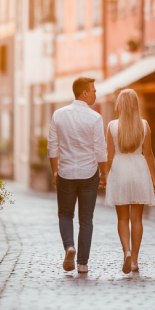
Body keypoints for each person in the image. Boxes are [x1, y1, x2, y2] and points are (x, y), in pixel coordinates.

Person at [47, 77, 108, 274]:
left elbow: (52, 147)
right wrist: (104, 172)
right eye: (93, 90)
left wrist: (55, 171)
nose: (95, 93)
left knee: (65, 214)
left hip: (65, 172)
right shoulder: (95, 117)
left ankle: (69, 247)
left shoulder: (58, 114)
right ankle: (82, 263)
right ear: (84, 93)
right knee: (86, 219)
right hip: (89, 173)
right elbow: (100, 150)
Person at [104, 89, 155, 273]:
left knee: (122, 218)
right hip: (139, 170)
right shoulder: (144, 125)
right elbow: (148, 154)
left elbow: (109, 156)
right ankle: (134, 259)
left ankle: (126, 251)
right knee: (137, 219)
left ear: (119, 104)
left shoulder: (112, 126)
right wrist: (153, 178)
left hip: (120, 170)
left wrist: (105, 175)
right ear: (136, 105)